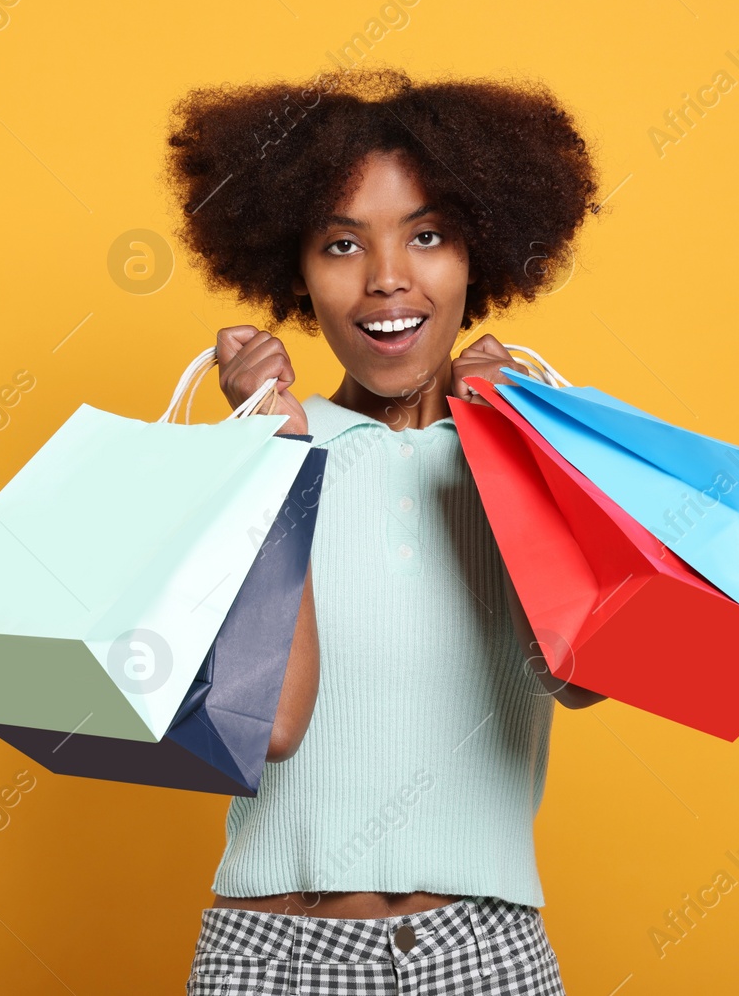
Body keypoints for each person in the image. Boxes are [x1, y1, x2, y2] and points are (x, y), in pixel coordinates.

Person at [164, 66, 604, 994]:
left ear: (479, 254)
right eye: (340, 244)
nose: (388, 279)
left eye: (428, 235)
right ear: (296, 271)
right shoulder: (257, 452)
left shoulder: (532, 451)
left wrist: (518, 449)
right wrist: (268, 449)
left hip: (480, 954)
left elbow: (585, 677)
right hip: (274, 958)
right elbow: (271, 723)